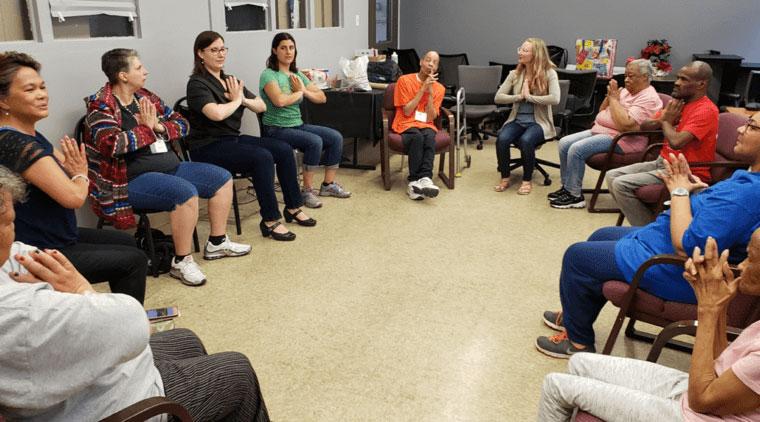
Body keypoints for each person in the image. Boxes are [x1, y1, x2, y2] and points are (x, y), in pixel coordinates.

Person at [0, 167, 269, 421]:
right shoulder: (20, 313)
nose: (14, 236)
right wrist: (81, 288)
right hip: (111, 406)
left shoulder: (10, 260)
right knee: (238, 371)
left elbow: (175, 128)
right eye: (10, 222)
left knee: (187, 340)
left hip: (80, 378)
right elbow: (135, 322)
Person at [535, 111, 760, 358]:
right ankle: (574, 316)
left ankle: (578, 343)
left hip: (678, 270)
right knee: (601, 234)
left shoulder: (745, 197)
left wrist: (680, 193)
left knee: (577, 257)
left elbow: (688, 248)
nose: (740, 130)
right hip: (664, 246)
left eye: (751, 127)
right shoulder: (749, 180)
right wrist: (694, 194)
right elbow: (719, 221)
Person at [537, 233, 760, 421]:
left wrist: (708, 312)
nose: (741, 265)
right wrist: (717, 306)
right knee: (580, 363)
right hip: (701, 394)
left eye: (750, 258)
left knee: (555, 386)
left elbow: (702, 401)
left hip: (694, 414)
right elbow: (720, 363)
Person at [85, 48, 251, 287]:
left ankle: (217, 242)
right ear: (123, 75)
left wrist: (159, 128)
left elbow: (182, 124)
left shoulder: (145, 96)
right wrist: (147, 129)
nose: (146, 71)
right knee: (184, 193)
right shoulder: (101, 106)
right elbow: (111, 144)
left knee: (222, 178)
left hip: (170, 167)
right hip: (130, 180)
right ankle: (181, 261)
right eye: (139, 67)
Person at [0, 51, 147, 303]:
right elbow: (75, 196)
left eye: (42, 87)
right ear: (3, 101)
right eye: (30, 89)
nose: (42, 94)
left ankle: (115, 318)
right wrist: (80, 174)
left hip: (59, 234)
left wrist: (77, 172)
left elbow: (69, 169)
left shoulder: (29, 134)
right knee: (133, 261)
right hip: (40, 248)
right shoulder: (14, 142)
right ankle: (125, 331)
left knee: (127, 242)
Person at [186, 31, 315, 241]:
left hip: (231, 139)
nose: (220, 54)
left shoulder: (230, 80)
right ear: (201, 53)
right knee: (262, 157)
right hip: (207, 147)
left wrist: (242, 100)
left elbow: (261, 105)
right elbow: (216, 114)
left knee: (282, 149)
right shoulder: (197, 84)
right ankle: (270, 221)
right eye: (214, 50)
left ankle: (293, 206)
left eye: (223, 49)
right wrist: (237, 101)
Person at [606, 61, 719, 226]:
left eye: (684, 79)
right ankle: (648, 225)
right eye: (678, 78)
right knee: (611, 176)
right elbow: (645, 126)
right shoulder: (679, 102)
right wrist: (663, 119)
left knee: (620, 184)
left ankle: (645, 230)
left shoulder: (706, 110)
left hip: (686, 171)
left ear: (701, 84)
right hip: (664, 161)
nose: (677, 82)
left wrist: (666, 121)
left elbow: (676, 142)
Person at [549, 59, 662, 209]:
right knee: (564, 143)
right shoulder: (626, 91)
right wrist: (610, 97)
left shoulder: (648, 97)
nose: (627, 80)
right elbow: (602, 111)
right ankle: (568, 187)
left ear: (645, 77)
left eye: (631, 76)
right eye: (626, 76)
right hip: (602, 130)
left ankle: (575, 196)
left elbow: (626, 125)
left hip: (623, 140)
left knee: (577, 149)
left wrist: (614, 99)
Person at [259, 32, 351, 208]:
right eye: (283, 48)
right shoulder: (269, 75)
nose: (288, 52)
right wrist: (300, 92)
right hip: (275, 129)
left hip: (297, 125)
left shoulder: (297, 74)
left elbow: (322, 97)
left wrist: (304, 90)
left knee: (335, 137)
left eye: (291, 48)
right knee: (314, 142)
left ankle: (328, 185)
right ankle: (307, 191)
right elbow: (279, 101)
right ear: (274, 50)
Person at [493, 37, 560, 195]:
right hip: (517, 120)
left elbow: (555, 99)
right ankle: (505, 177)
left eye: (524, 50)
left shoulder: (549, 73)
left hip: (539, 122)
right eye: (520, 49)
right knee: (502, 139)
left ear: (536, 54)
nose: (520, 53)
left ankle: (527, 180)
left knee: (526, 140)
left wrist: (530, 97)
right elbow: (498, 97)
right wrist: (518, 97)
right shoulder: (515, 74)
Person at [391, 50, 446, 200]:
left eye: (434, 62)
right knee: (417, 137)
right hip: (405, 122)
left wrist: (429, 91)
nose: (430, 64)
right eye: (428, 60)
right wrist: (422, 89)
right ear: (421, 62)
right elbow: (407, 111)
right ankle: (414, 181)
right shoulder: (404, 80)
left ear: (437, 68)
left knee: (429, 136)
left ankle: (425, 178)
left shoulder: (439, 89)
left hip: (426, 123)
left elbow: (430, 117)